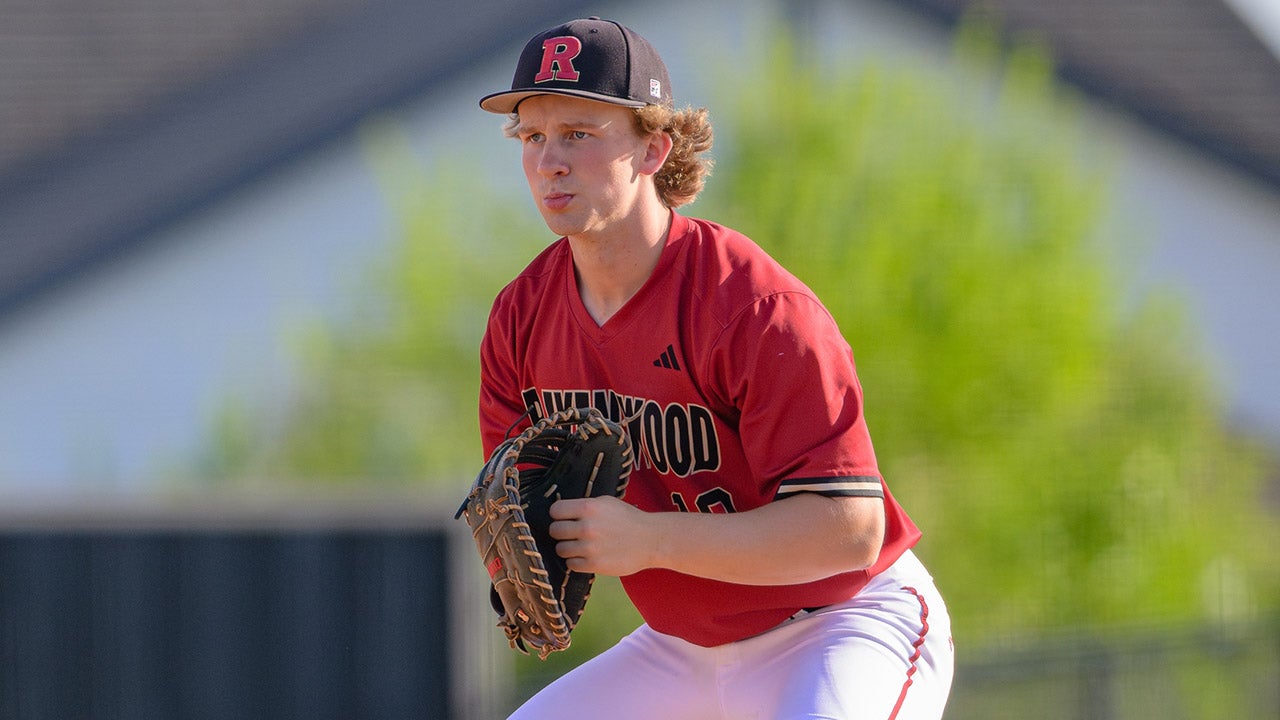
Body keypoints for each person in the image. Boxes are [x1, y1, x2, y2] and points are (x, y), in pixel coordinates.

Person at [475, 17, 954, 719]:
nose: (549, 159)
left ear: (653, 149)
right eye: (533, 135)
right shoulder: (522, 318)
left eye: (578, 133)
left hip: (842, 623)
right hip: (680, 650)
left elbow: (851, 530)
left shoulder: (756, 309)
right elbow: (513, 506)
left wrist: (649, 540)